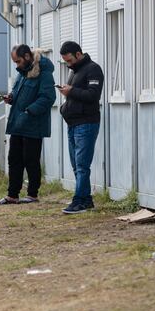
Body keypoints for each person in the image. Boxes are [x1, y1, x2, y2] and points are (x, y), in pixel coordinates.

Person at [0, 44, 56, 206]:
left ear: (27, 57)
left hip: (33, 125)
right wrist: (11, 98)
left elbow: (48, 97)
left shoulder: (44, 73)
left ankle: (32, 194)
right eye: (15, 62)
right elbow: (17, 92)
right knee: (14, 159)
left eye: (18, 61)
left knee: (31, 160)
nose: (17, 65)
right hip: (18, 123)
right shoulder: (22, 73)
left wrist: (29, 111)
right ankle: (12, 195)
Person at [57, 41, 104, 214]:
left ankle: (79, 201)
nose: (68, 64)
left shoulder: (93, 69)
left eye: (69, 60)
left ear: (78, 54)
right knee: (77, 165)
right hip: (73, 123)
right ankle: (86, 199)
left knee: (82, 165)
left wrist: (71, 92)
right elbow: (76, 94)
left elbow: (93, 95)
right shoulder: (75, 72)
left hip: (86, 123)